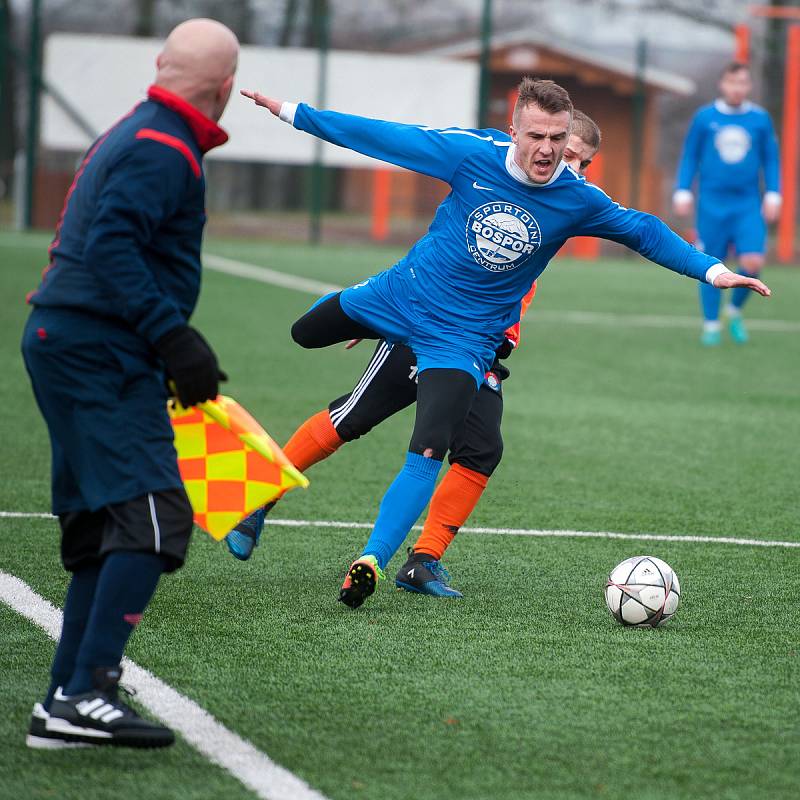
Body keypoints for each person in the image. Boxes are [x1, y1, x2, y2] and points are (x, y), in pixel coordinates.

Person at [241, 76, 769, 610]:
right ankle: (261, 493)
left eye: (563, 146)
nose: (553, 155)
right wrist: (293, 111)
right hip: (407, 305)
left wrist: (713, 271)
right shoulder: (474, 155)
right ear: (513, 129)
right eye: (539, 138)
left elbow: (645, 231)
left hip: (471, 343)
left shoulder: (577, 201)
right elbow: (385, 137)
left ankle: (394, 559)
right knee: (317, 355)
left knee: (463, 447)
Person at [225, 112, 603, 603]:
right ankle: (259, 497)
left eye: (585, 162)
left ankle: (422, 560)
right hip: (428, 326)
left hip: (478, 348)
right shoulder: (501, 173)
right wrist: (382, 314)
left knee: (481, 449)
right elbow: (441, 253)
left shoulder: (567, 202)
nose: (575, 167)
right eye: (569, 154)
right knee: (353, 417)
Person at [21, 18, 238, 749]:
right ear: (225, 89)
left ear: (161, 67)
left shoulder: (139, 131)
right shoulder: (164, 146)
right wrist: (173, 336)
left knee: (101, 530)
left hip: (76, 342)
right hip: (94, 348)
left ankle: (62, 702)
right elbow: (111, 243)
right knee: (152, 519)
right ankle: (87, 691)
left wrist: (167, 348)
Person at [673, 61, 781, 346]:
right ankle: (710, 325)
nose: (737, 88)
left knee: (753, 261)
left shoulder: (759, 119)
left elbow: (770, 158)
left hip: (746, 203)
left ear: (749, 86)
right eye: (733, 82)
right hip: (711, 204)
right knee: (711, 264)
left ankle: (733, 311)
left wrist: (773, 193)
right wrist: (682, 190)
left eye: (743, 83)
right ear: (723, 84)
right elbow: (690, 155)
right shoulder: (705, 117)